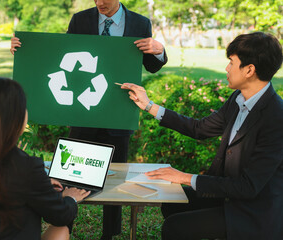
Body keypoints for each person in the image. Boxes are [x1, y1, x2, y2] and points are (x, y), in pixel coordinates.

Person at [11, 1, 168, 238]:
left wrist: (159, 50)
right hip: (82, 113)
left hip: (117, 113)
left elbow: (151, 65)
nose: (100, 3)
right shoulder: (80, 19)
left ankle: (110, 234)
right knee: (68, 176)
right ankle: (64, 226)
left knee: (114, 183)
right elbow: (60, 52)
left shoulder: (139, 23)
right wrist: (24, 48)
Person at [121, 32, 283, 239]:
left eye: (231, 63)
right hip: (229, 196)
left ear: (250, 70)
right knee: (171, 205)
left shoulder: (276, 117)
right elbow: (200, 129)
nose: (226, 68)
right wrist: (149, 106)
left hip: (254, 212)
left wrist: (185, 178)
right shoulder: (238, 99)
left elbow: (248, 187)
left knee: (175, 226)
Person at [0, 77, 90, 240]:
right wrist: (70, 198)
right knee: (61, 229)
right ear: (17, 118)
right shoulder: (27, 167)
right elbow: (60, 216)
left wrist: (40, 184)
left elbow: (5, 183)